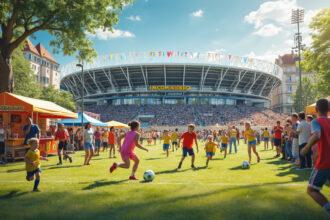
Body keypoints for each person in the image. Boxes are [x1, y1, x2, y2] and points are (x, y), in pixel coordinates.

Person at [301, 99, 330, 215]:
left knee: (311, 190)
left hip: (324, 162)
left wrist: (306, 148)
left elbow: (317, 135)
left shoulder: (315, 121)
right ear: (329, 110)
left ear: (316, 110)